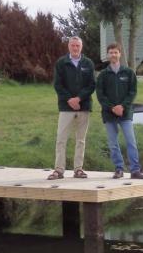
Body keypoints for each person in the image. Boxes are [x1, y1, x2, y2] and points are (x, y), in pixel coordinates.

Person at [96, 42, 143, 179]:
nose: (113, 54)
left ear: (120, 54)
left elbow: (132, 92)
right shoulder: (103, 75)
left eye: (115, 52)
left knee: (131, 142)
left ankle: (135, 171)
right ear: (108, 55)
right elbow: (100, 95)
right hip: (109, 114)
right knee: (113, 144)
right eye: (111, 52)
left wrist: (122, 107)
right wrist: (112, 108)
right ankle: (119, 169)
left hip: (125, 113)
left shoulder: (129, 73)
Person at [48, 36, 96, 180]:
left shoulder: (88, 63)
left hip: (84, 106)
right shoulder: (61, 63)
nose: (75, 48)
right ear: (69, 46)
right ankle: (59, 170)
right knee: (61, 138)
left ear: (81, 47)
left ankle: (78, 169)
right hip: (66, 107)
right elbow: (58, 85)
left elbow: (91, 85)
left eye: (78, 46)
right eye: (73, 45)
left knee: (81, 139)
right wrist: (69, 99)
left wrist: (79, 98)